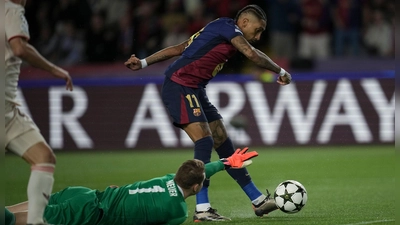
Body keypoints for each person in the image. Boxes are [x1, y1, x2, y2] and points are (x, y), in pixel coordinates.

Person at [125, 4, 291, 221]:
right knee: (204, 141)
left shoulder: (218, 30)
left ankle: (257, 200)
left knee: (223, 142)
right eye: (257, 30)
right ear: (244, 22)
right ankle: (202, 208)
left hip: (195, 88)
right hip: (179, 85)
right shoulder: (227, 27)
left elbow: (182, 47)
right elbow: (251, 53)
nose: (258, 37)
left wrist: (144, 62)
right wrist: (281, 71)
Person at [7, 148, 258, 225]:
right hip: (90, 213)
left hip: (85, 194)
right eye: (201, 184)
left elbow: (201, 170)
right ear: (195, 188)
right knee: (11, 221)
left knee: (15, 210)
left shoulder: (168, 179)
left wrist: (226, 163)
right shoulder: (178, 212)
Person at [5, 0, 74, 225]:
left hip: (8, 110)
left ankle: (36, 222)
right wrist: (54, 69)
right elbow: (18, 47)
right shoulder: (11, 9)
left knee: (44, 157)